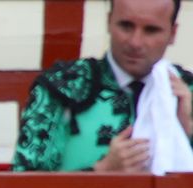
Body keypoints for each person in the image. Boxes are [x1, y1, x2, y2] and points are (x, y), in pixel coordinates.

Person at [13, 0, 193, 171]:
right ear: (108, 22)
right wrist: (101, 171)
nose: (135, 42)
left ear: (172, 33)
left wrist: (189, 133)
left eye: (151, 30)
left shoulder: (188, 92)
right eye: (126, 26)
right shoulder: (62, 86)